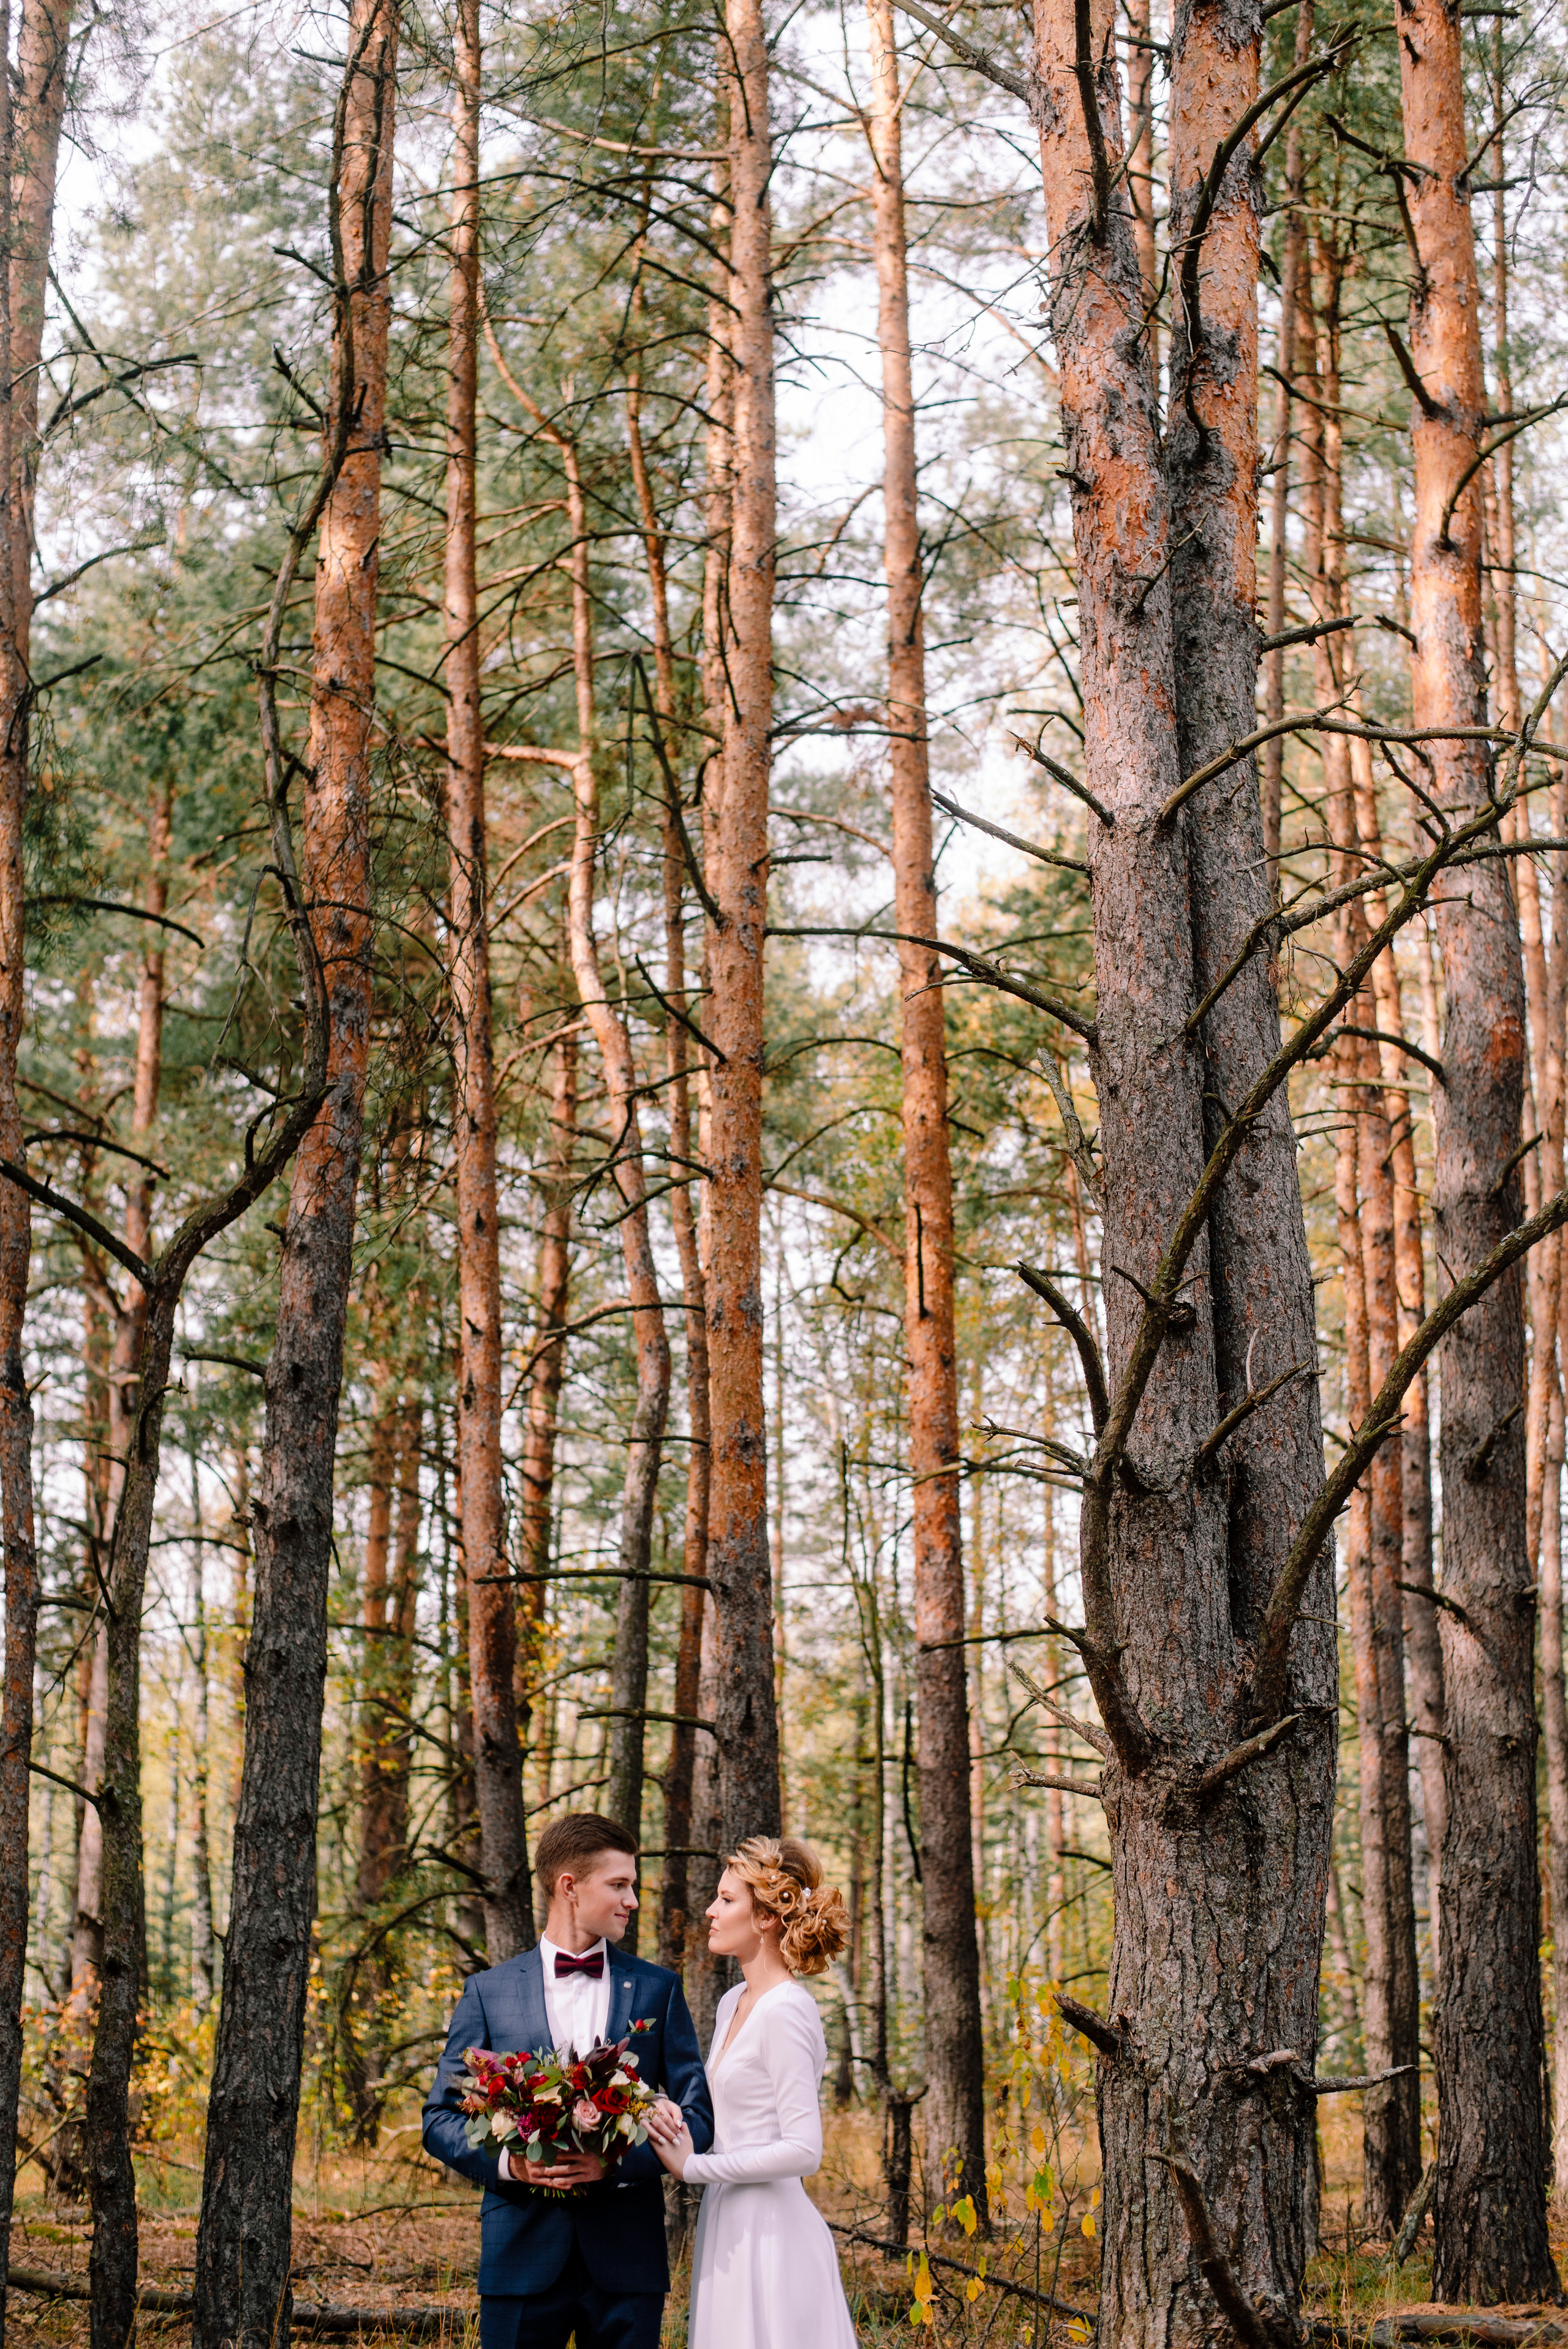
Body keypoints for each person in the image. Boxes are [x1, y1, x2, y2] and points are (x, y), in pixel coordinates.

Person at [421, 1812, 713, 2349]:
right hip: (520, 2257)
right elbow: (439, 2118)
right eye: (619, 1885)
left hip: (628, 2260)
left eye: (634, 1886)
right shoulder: (489, 1992)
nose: (634, 1901)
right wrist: (512, 2164)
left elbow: (699, 2116)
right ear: (569, 1887)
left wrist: (619, 2163)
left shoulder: (658, 1989)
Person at [646, 1835, 856, 2349]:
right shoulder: (733, 2000)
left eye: (726, 1899)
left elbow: (804, 2150)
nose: (711, 1911)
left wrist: (694, 2168)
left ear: (766, 1917)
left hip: (773, 2233)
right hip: (728, 2219)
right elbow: (734, 2114)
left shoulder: (787, 2010)